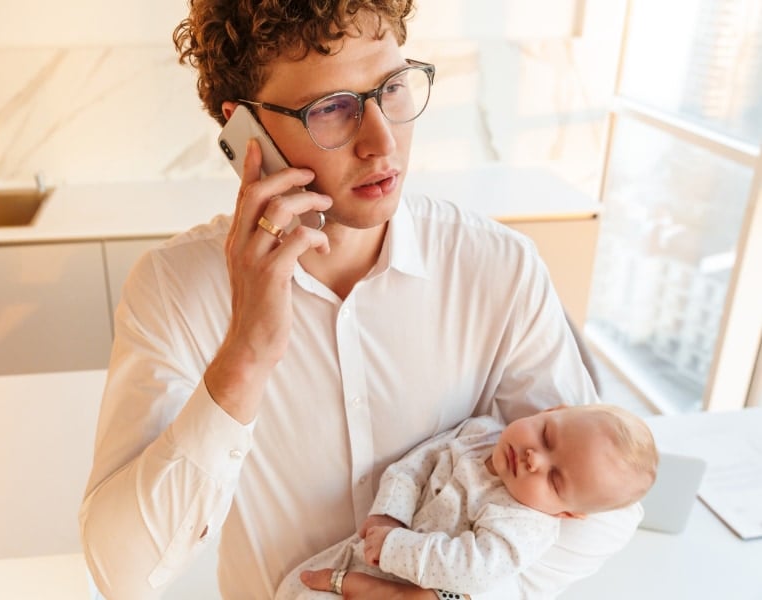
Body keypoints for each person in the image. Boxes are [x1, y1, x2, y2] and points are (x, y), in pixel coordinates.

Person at [78, 2, 644, 599]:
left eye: (392, 88)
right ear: (246, 131)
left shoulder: (498, 268)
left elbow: (602, 516)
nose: (382, 142)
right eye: (332, 108)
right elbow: (120, 572)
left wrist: (452, 596)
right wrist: (245, 355)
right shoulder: (172, 290)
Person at [275, 404, 658, 599]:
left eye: (555, 478)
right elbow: (417, 465)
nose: (533, 458)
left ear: (568, 513)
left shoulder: (525, 524)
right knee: (297, 588)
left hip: (406, 577)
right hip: (372, 552)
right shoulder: (481, 432)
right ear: (549, 412)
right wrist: (389, 516)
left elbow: (471, 569)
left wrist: (395, 548)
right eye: (546, 435)